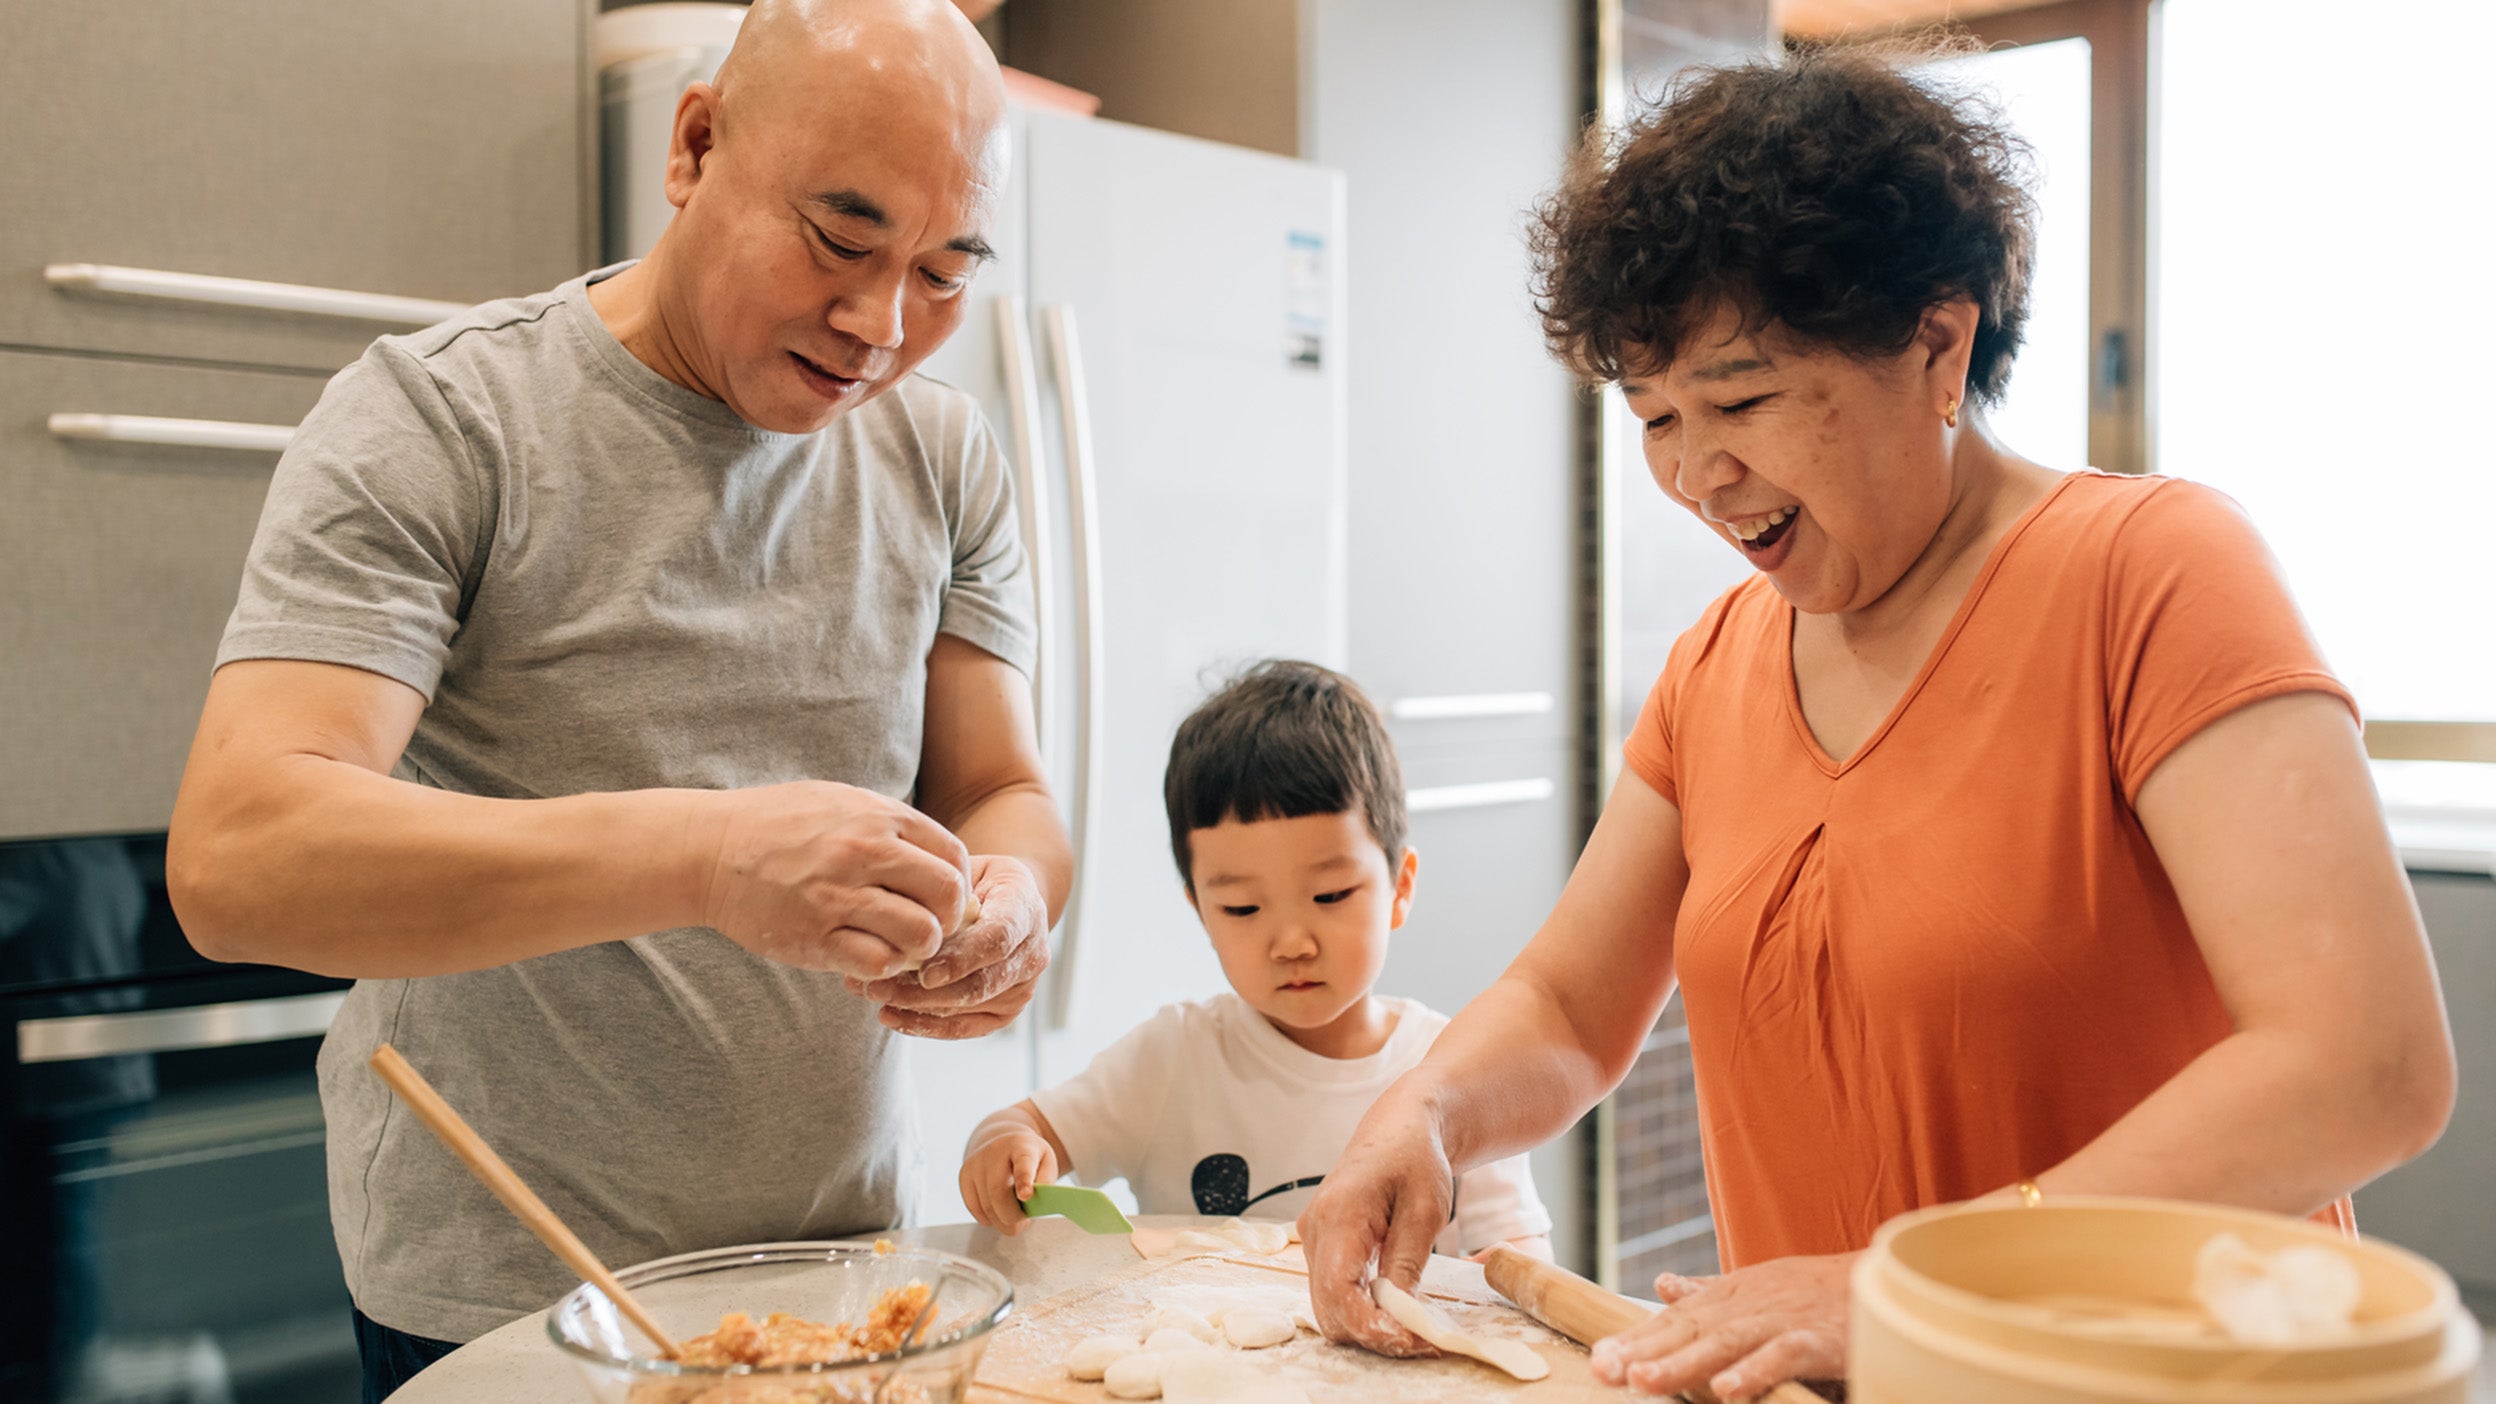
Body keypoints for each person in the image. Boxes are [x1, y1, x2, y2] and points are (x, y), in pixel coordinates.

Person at [1299, 43, 2456, 1402]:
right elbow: (1567, 1004)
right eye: (1656, 416)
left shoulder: (2155, 572)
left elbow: (2365, 1064)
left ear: (1938, 340)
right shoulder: (1713, 669)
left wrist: (1915, 1279)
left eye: (1740, 399)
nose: (1693, 473)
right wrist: (1423, 1112)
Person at [161, 1, 1069, 1398]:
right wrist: (707, 858)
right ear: (694, 146)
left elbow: (1000, 787)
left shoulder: (944, 456)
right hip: (507, 1302)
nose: (882, 324)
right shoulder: (445, 418)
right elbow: (238, 860)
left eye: (946, 271)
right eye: (839, 240)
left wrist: (1013, 898)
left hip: (841, 1279)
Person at [958, 661, 1553, 1261]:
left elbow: (1517, 1256)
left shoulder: (1455, 1072)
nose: (1291, 941)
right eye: (1243, 908)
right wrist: (1006, 1148)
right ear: (1200, 912)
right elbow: (1023, 1128)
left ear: (1400, 886)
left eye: (1330, 896)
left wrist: (1504, 1273)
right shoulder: (1174, 1059)